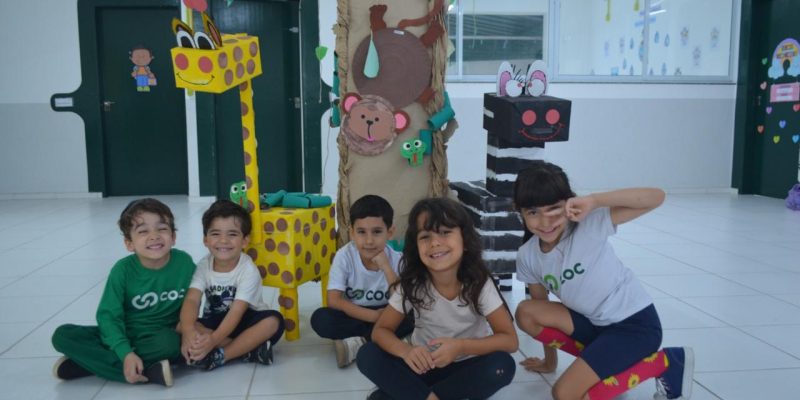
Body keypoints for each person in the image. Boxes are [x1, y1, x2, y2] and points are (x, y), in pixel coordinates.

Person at [512, 160, 694, 400]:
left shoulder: (589, 224)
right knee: (526, 312)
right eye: (533, 212)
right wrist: (549, 362)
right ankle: (603, 358)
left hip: (634, 327)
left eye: (554, 209)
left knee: (565, 393)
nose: (545, 223)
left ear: (569, 203)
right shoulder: (528, 255)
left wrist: (595, 200)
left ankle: (666, 362)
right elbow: (539, 302)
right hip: (593, 324)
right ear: (520, 212)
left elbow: (656, 197)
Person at [357, 197, 518, 400]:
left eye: (445, 232)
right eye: (425, 236)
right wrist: (406, 351)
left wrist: (460, 347)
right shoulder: (412, 283)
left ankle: (420, 395)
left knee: (502, 366)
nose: (435, 243)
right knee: (367, 355)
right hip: (424, 364)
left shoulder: (479, 282)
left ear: (465, 241)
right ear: (416, 246)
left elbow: (510, 340)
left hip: (467, 366)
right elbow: (381, 331)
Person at [51, 198, 196, 387]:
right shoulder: (123, 270)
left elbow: (195, 300)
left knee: (169, 344)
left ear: (174, 237)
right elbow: (108, 317)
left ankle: (88, 364)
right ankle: (146, 372)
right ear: (129, 243)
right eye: (143, 231)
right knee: (62, 335)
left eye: (162, 229)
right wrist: (125, 352)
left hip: (160, 337)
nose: (154, 236)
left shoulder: (184, 263)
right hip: (123, 334)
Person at [179, 199, 285, 371]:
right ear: (205, 240)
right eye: (215, 234)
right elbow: (192, 300)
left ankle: (222, 355)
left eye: (232, 234)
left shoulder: (248, 269)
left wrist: (212, 340)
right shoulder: (203, 265)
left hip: (246, 319)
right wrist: (188, 332)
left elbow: (237, 311)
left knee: (273, 321)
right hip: (216, 321)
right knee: (181, 324)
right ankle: (248, 350)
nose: (223, 241)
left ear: (245, 241)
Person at [310, 194, 413, 368]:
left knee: (415, 316)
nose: (369, 241)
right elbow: (333, 300)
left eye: (377, 232)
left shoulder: (397, 259)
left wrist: (386, 267)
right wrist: (373, 316)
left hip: (389, 314)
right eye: (361, 232)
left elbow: (402, 301)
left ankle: (358, 343)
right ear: (351, 233)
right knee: (320, 318)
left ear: (390, 232)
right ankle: (385, 340)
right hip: (356, 313)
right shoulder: (344, 256)